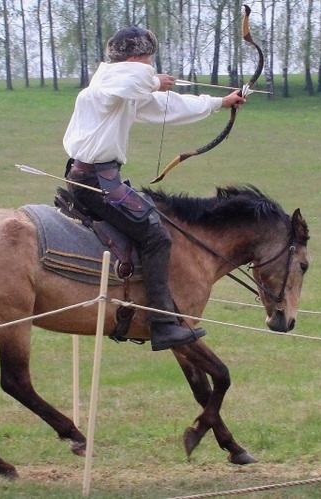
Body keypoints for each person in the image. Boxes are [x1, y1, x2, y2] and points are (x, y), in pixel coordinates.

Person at [63, 26, 246, 351]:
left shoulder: (123, 92)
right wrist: (152, 79)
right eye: (147, 59)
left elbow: (168, 106)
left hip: (101, 178)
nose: (150, 66)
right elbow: (135, 81)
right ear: (134, 59)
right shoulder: (108, 86)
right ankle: (163, 324)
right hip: (94, 181)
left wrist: (220, 103)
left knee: (154, 223)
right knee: (155, 234)